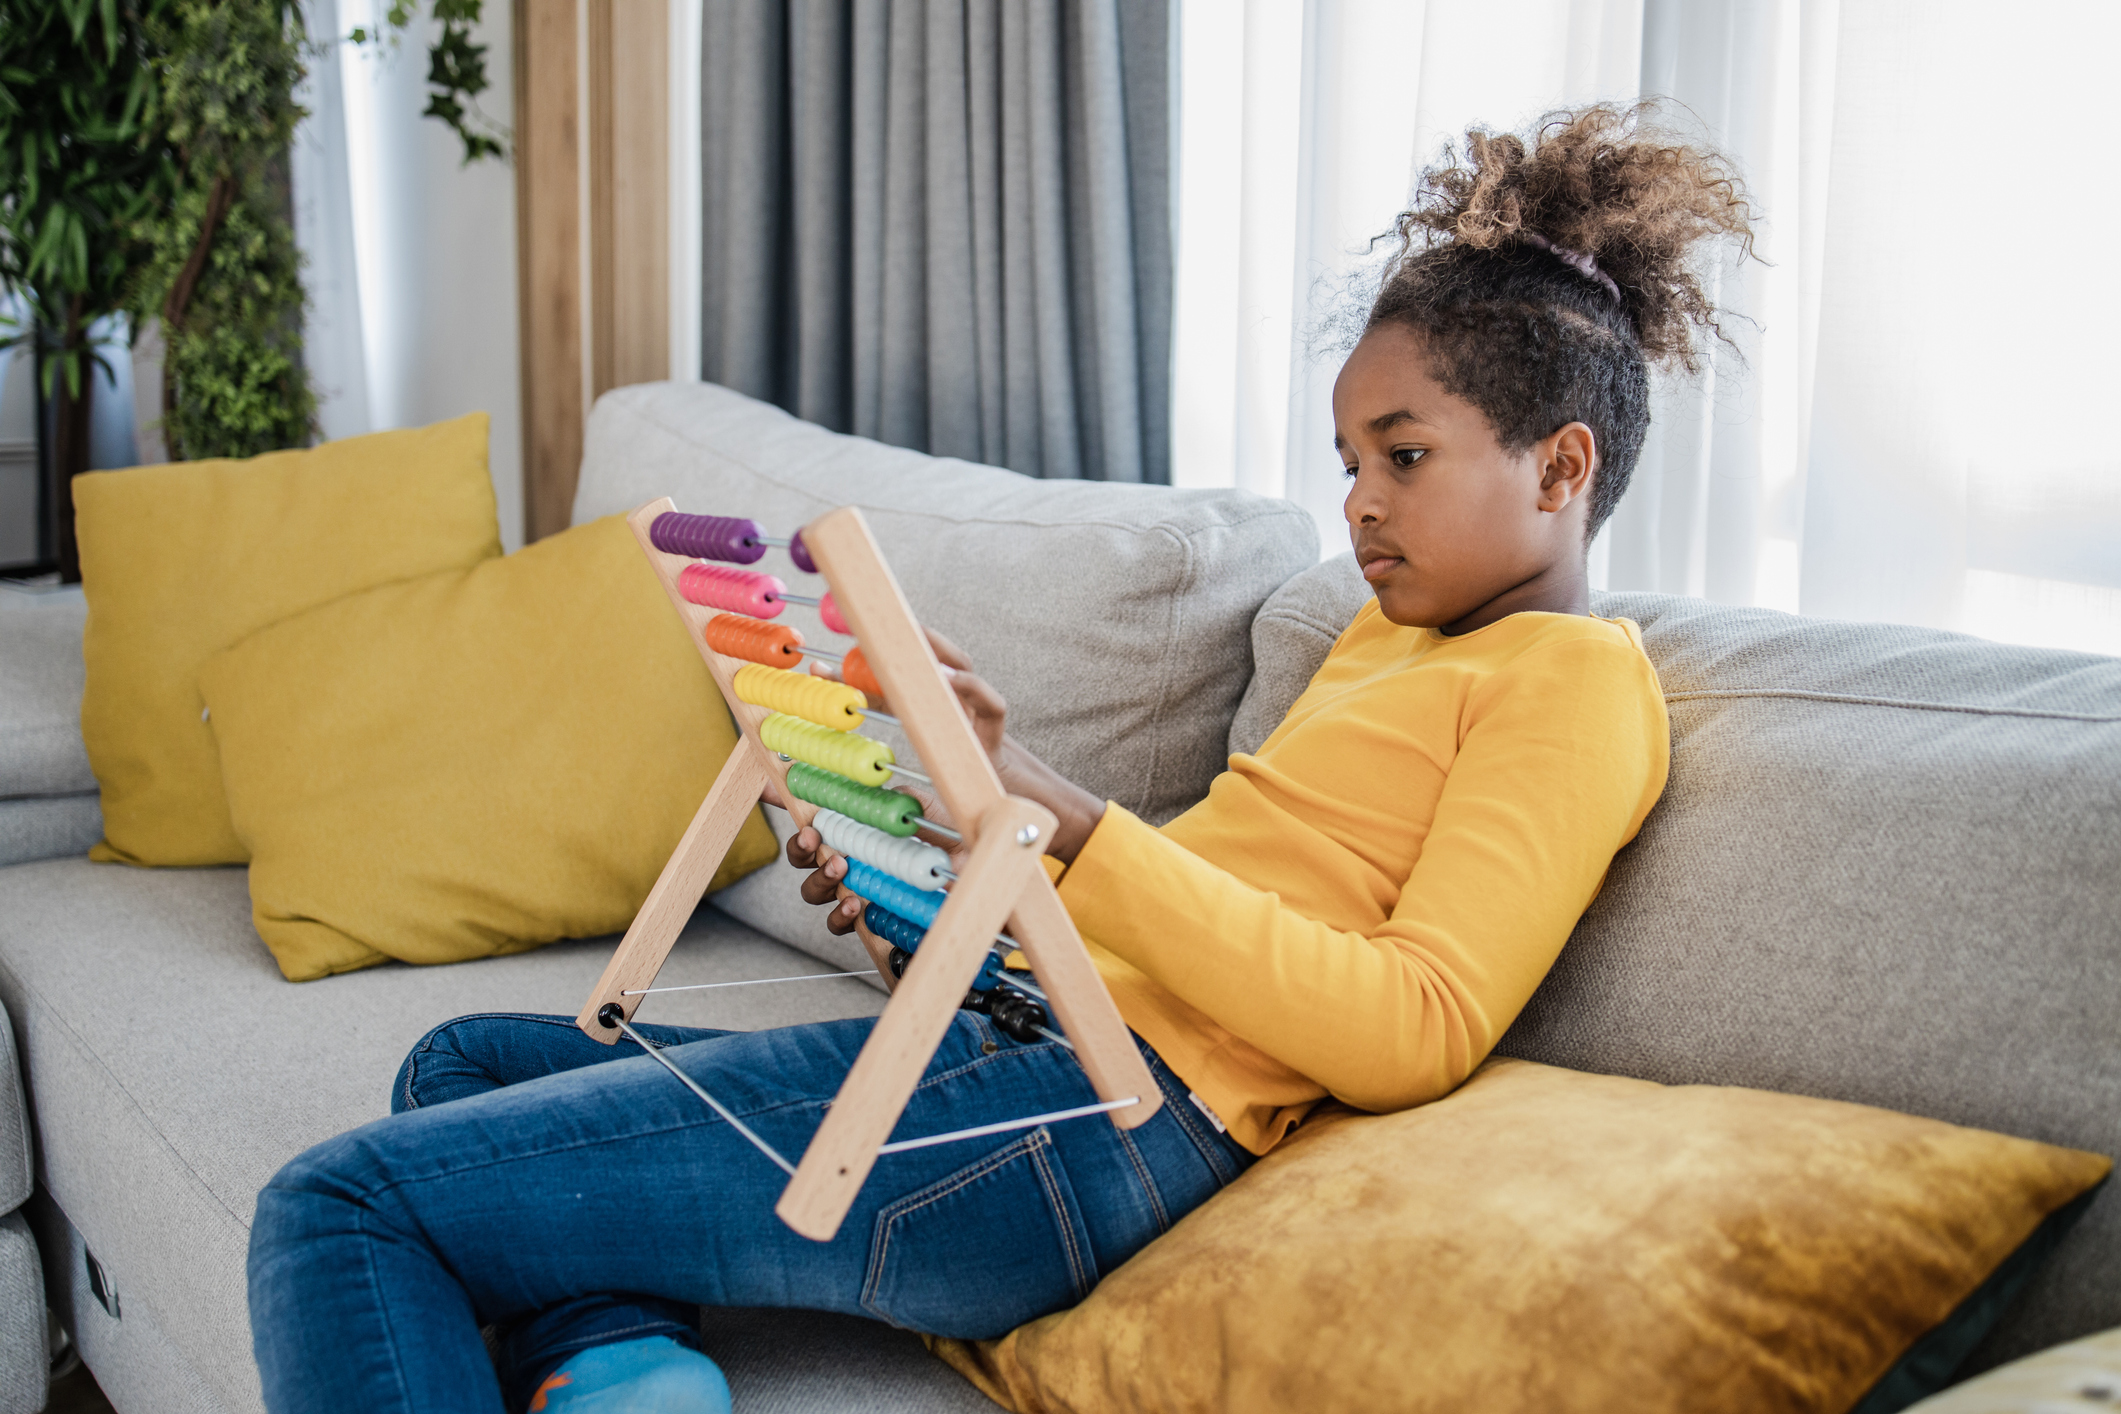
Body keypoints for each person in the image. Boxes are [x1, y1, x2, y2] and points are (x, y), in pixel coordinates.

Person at [247, 103, 1754, 1414]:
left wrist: (1071, 819)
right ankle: (628, 1369)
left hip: (1091, 1128)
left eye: (1401, 454)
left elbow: (1416, 1022)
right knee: (456, 1061)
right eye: (1345, 461)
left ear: (1560, 465)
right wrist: (933, 875)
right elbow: (1199, 907)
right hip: (1028, 1037)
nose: (1358, 503)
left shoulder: (1571, 686)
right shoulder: (1385, 641)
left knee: (335, 1210)